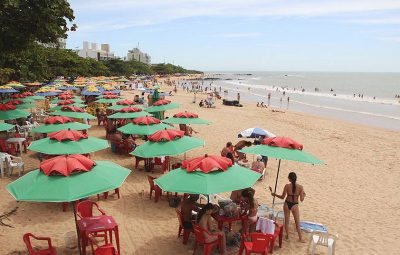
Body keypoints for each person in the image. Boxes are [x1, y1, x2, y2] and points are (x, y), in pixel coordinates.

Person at [270, 172, 306, 242]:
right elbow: (301, 200)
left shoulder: (287, 186)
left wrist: (274, 194)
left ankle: (287, 236)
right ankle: (300, 238)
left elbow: (282, 197)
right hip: (295, 205)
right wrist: (304, 195)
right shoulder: (300, 187)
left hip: (287, 204)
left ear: (289, 179)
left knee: (287, 221)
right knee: (297, 222)